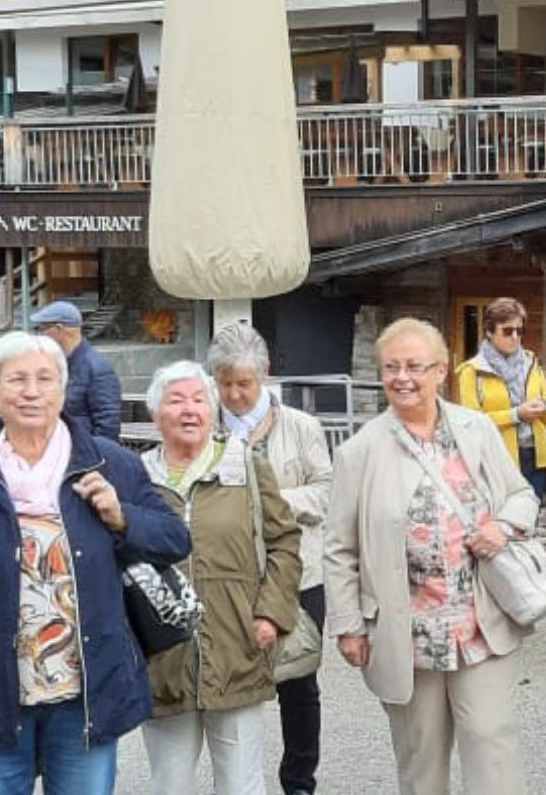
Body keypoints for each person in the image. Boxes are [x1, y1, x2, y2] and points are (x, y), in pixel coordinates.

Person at [0, 329, 191, 793]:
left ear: (63, 391)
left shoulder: (110, 464)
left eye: (45, 378)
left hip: (84, 696)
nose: (30, 391)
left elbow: (174, 539)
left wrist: (123, 517)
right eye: (16, 379)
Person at [325, 316, 539, 795]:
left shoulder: (476, 430)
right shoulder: (359, 452)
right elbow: (339, 548)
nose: (403, 378)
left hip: (479, 620)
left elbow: (522, 495)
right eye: (391, 367)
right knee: (420, 757)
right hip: (406, 631)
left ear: (441, 370)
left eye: (415, 366)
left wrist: (501, 527)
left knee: (491, 744)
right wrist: (349, 625)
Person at [138, 362, 304, 795]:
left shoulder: (246, 467)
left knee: (241, 785)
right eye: (176, 401)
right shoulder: (137, 480)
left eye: (199, 400)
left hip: (238, 648)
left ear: (213, 411)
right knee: (169, 785)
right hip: (164, 660)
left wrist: (271, 614)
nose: (189, 410)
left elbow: (284, 542)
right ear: (156, 415)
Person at [206, 321, 335, 795]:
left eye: (245, 383)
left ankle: (299, 780)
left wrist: (268, 500)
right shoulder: (207, 426)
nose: (236, 394)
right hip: (229, 577)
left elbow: (325, 493)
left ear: (264, 375)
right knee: (236, 684)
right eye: (226, 384)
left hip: (299, 572)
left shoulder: (302, 428)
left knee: (298, 682)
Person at [452, 296, 546, 507]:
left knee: (529, 523)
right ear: (490, 332)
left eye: (519, 330)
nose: (515, 336)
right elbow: (470, 423)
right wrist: (516, 415)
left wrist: (543, 407)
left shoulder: (532, 363)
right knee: (499, 523)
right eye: (507, 331)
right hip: (496, 458)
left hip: (535, 458)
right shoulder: (471, 372)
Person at [27, 301, 128, 454]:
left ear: (58, 329)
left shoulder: (97, 368)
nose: (38, 335)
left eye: (41, 329)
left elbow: (108, 423)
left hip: (82, 455)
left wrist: (95, 458)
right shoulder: (53, 363)